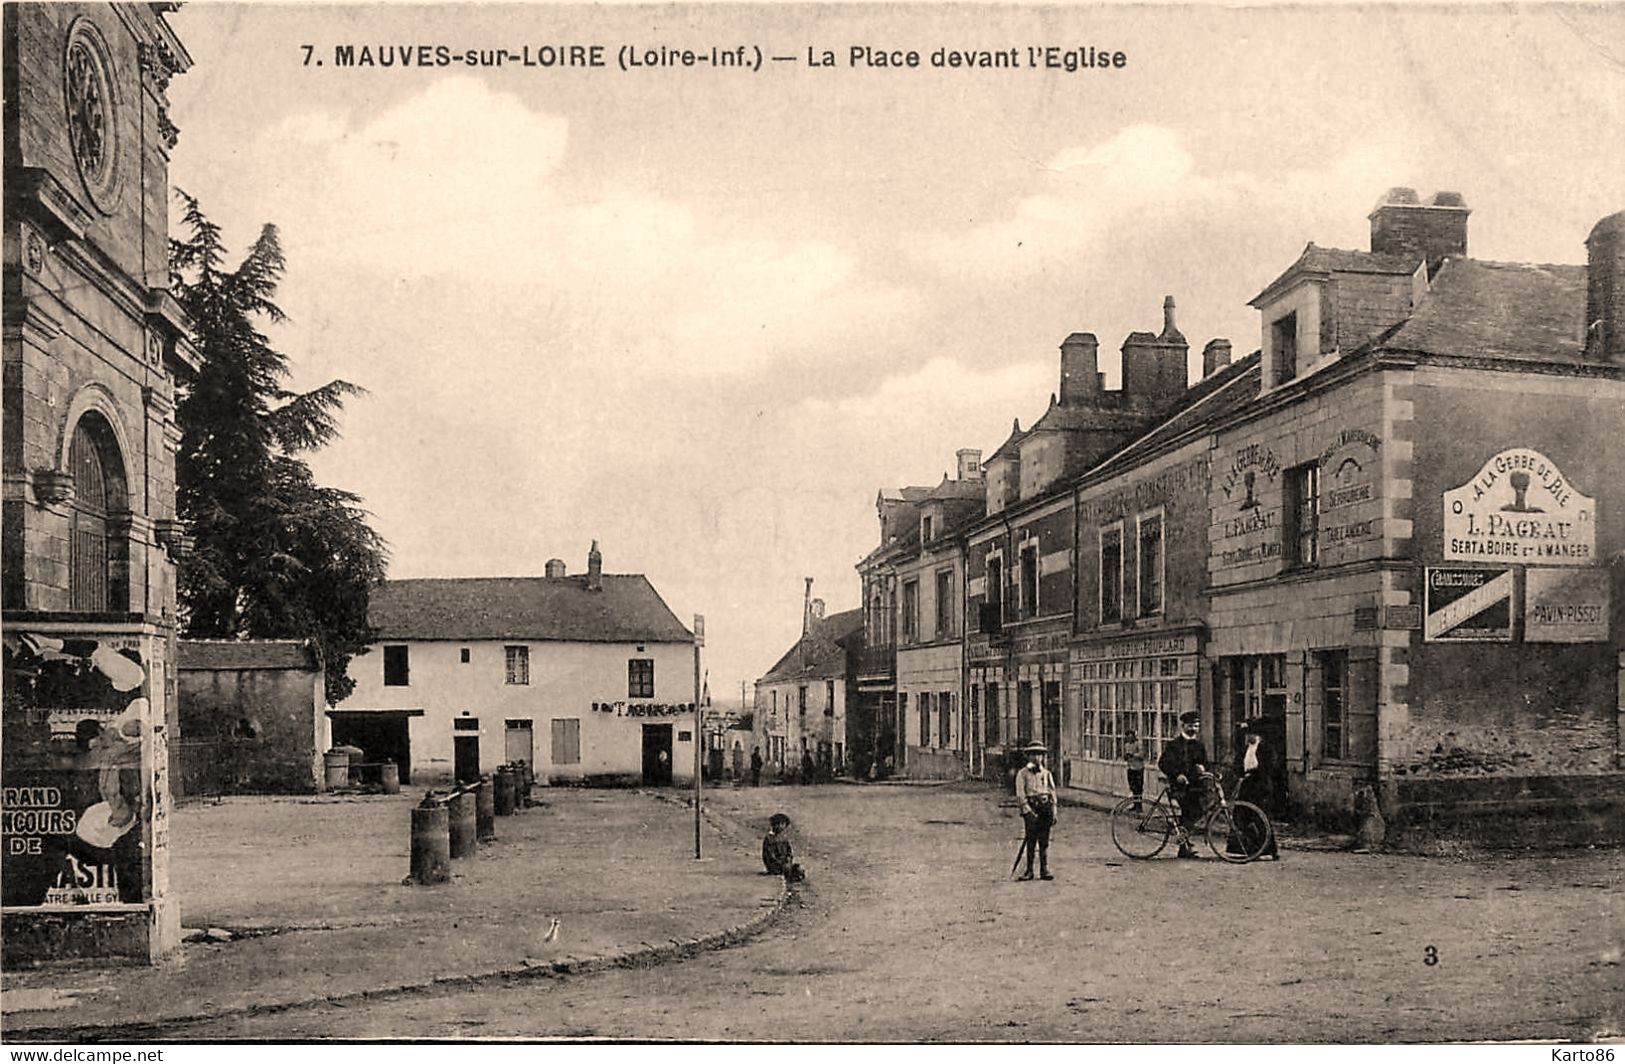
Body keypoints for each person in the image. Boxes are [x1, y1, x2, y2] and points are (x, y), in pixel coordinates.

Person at [1158, 711, 1210, 859]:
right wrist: (1176, 775)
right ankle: (1184, 845)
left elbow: (1205, 763)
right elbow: (1163, 763)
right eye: (1190, 726)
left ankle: (1184, 842)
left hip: (1195, 785)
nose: (1193, 729)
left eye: (1196, 726)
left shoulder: (1199, 745)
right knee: (1190, 811)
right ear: (1183, 726)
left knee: (1195, 812)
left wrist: (1204, 768)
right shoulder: (1173, 745)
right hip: (1179, 787)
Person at [1233, 721, 1280, 860]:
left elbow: (1270, 767)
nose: (1248, 737)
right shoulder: (1244, 749)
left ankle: (1267, 851)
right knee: (1240, 816)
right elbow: (1237, 765)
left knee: (1260, 818)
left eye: (1251, 734)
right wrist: (1241, 773)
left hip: (1261, 787)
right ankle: (1247, 848)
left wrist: (1254, 773)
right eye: (1247, 734)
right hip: (1246, 787)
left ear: (1258, 735)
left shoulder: (1266, 749)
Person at [1013, 741, 1057, 881]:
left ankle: (1044, 869)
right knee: (1031, 840)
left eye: (1039, 754)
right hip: (1032, 808)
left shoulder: (1046, 773)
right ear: (1028, 756)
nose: (1037, 758)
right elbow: (1020, 794)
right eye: (1033, 754)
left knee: (1044, 841)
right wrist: (1027, 811)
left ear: (1043, 757)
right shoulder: (1022, 774)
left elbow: (1052, 792)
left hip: (1045, 808)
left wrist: (1054, 810)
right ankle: (1029, 870)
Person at [761, 812, 804, 882]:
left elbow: (789, 851)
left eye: (783, 825)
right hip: (774, 865)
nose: (782, 827)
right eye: (781, 824)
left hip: (784, 863)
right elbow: (769, 856)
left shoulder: (783, 837)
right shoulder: (769, 839)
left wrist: (788, 859)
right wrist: (780, 863)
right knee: (787, 869)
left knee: (799, 868)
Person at [1123, 728, 1146, 811]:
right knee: (1132, 787)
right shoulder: (1126, 745)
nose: (1130, 739)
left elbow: (1142, 755)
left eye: (1131, 737)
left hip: (1138, 768)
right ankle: (1135, 804)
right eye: (1128, 737)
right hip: (1130, 768)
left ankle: (1139, 806)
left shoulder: (1138, 744)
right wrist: (1126, 757)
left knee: (1139, 787)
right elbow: (1126, 756)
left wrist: (1133, 755)